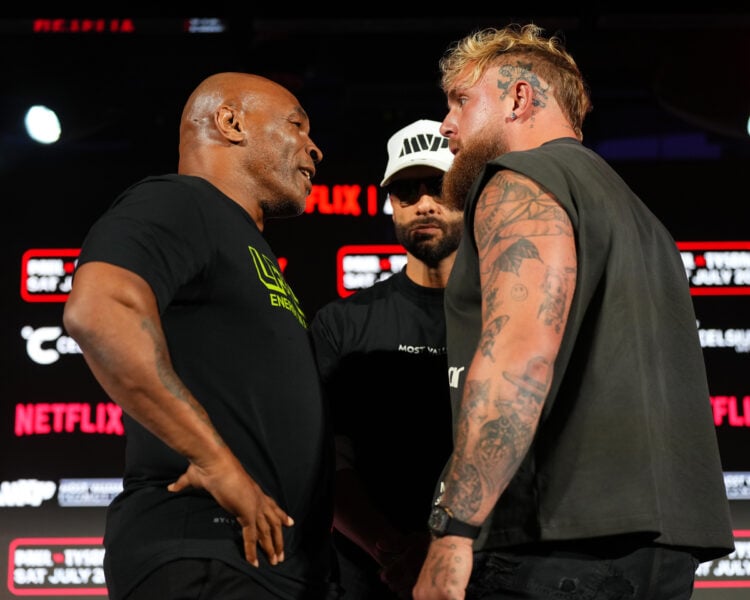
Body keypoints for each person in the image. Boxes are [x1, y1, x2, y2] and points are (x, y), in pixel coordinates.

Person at [413, 24, 735, 600]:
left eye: (461, 99)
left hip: (552, 548)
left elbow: (519, 356)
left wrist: (454, 531)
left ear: (519, 98)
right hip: (660, 554)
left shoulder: (518, 182)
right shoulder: (642, 219)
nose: (447, 125)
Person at [63, 72, 340, 600]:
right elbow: (99, 310)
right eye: (296, 125)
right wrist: (216, 462)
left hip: (270, 569)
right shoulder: (183, 201)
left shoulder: (244, 243)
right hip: (205, 555)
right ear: (230, 122)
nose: (315, 148)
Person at [310, 119, 462, 598]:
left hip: (486, 574)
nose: (423, 203)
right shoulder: (342, 324)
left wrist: (450, 549)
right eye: (404, 191)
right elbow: (322, 463)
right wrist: (395, 551)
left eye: (437, 185)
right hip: (374, 576)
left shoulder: (513, 316)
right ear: (389, 204)